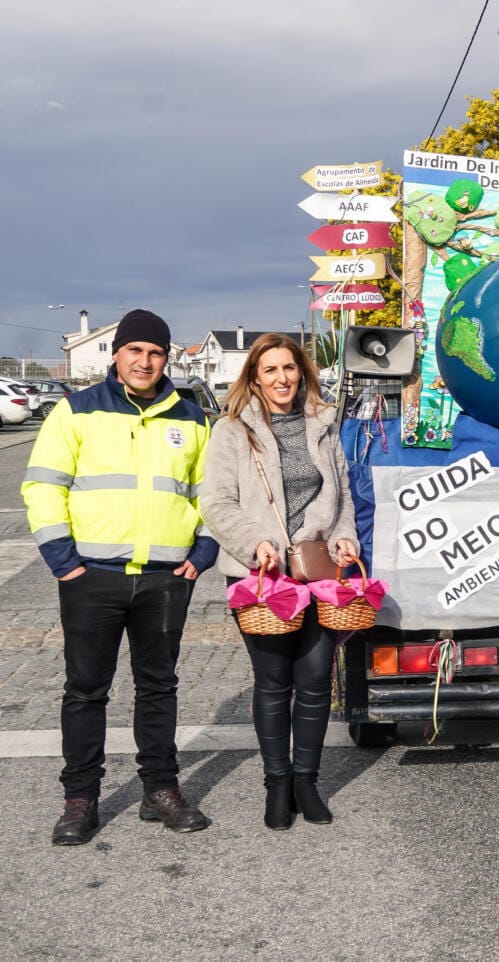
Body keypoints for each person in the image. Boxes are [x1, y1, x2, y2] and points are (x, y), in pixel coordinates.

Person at [23, 309, 219, 845]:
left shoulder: (193, 417)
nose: (145, 361)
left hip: (165, 578)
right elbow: (43, 486)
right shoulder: (76, 410)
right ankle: (80, 799)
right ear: (116, 354)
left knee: (159, 687)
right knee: (86, 690)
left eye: (155, 352)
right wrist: (64, 560)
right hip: (92, 577)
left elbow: (212, 494)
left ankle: (160, 790)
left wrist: (202, 552)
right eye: (135, 350)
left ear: (166, 358)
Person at [199, 333, 359, 831]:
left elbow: (344, 498)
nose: (282, 379)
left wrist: (345, 540)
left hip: (316, 572)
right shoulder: (231, 430)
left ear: (302, 371)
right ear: (254, 377)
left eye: (289, 368)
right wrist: (254, 544)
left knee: (314, 682)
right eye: (269, 370)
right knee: (273, 683)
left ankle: (307, 781)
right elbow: (216, 501)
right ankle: (277, 783)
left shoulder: (324, 425)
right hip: (262, 575)